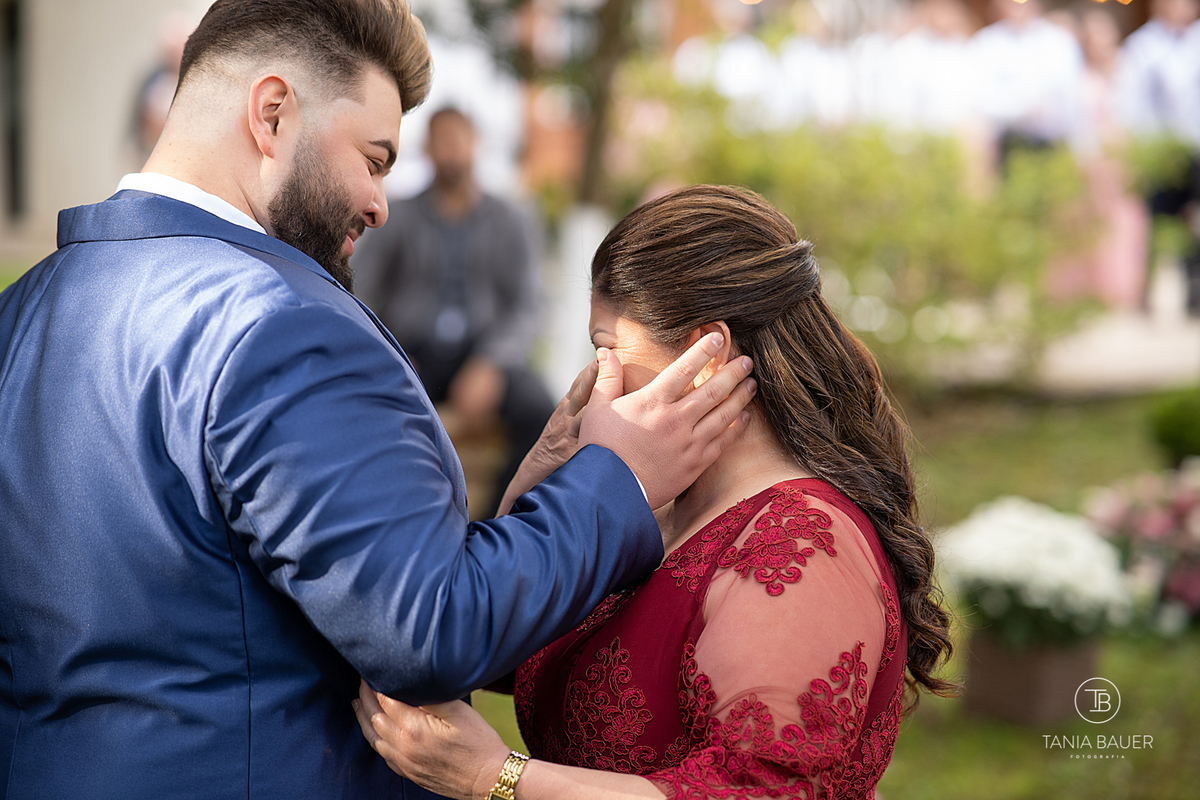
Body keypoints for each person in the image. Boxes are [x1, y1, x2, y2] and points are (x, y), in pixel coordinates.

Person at [0, 3, 756, 798]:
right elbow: (427, 627)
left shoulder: (24, 313)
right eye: (375, 157)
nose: (380, 202)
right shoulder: (278, 325)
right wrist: (619, 475)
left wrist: (535, 500)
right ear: (272, 112)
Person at [355, 185, 958, 799]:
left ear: (704, 357)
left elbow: (759, 791)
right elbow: (519, 652)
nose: (594, 383)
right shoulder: (655, 501)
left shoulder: (801, 542)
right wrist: (538, 486)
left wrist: (497, 777)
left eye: (608, 351)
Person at [353, 106, 555, 514]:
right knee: (365, 408)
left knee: (541, 412)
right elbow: (361, 290)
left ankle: (497, 519)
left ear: (475, 144)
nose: (450, 151)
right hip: (412, 352)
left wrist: (492, 362)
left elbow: (529, 305)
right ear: (427, 149)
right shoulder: (398, 217)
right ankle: (403, 519)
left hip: (483, 352)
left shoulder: (511, 219)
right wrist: (388, 353)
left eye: (457, 140)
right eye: (440, 141)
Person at [1114, 0, 1200, 313]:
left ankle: (1193, 293)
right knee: (1156, 220)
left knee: (1193, 220)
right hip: (1158, 148)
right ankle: (1145, 296)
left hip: (1195, 147)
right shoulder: (1143, 46)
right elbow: (1132, 103)